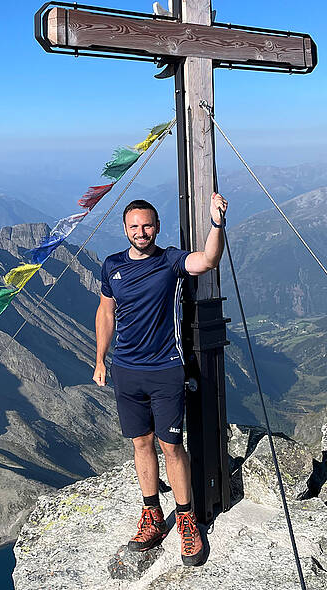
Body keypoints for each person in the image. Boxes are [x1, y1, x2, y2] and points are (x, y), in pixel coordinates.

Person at [93, 193, 228, 566]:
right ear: (124, 229)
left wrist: (216, 223)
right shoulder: (112, 266)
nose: (141, 231)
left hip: (166, 369)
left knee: (171, 446)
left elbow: (208, 260)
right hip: (126, 370)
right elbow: (106, 312)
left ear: (157, 227)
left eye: (147, 225)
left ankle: (186, 519)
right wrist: (100, 359)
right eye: (134, 226)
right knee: (141, 443)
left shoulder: (169, 260)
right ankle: (152, 515)